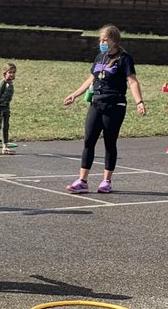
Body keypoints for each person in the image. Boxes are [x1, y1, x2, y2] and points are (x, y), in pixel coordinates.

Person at [61, 24, 147, 193]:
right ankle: (82, 181)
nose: (101, 43)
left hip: (114, 105)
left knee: (109, 142)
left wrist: (139, 102)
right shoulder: (100, 57)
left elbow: (132, 81)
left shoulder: (124, 59)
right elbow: (91, 79)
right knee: (89, 141)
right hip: (96, 103)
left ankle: (106, 181)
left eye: (105, 40)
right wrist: (75, 94)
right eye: (100, 40)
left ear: (114, 41)